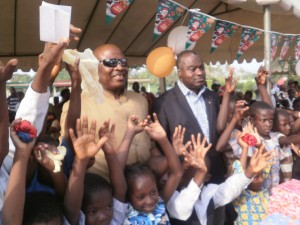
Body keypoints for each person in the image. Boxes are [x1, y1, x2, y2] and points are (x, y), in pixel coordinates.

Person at [60, 44, 151, 179]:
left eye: (123, 62)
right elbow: (68, 142)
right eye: (111, 63)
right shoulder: (77, 104)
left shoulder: (140, 100)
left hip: (144, 187)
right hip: (103, 189)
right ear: (93, 67)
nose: (119, 67)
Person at [152, 50, 226, 185]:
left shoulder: (212, 97)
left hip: (216, 174)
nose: (199, 72)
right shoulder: (164, 103)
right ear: (179, 72)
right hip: (187, 176)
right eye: (192, 69)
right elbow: (161, 146)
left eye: (201, 68)